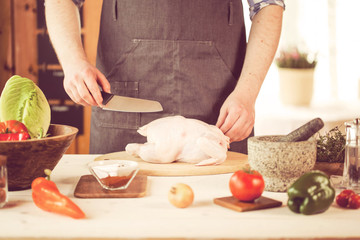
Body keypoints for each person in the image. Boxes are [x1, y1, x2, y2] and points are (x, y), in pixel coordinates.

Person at [44, 0, 284, 154]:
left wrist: (247, 93)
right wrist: (73, 62)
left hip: (220, 117)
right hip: (123, 112)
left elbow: (268, 4)